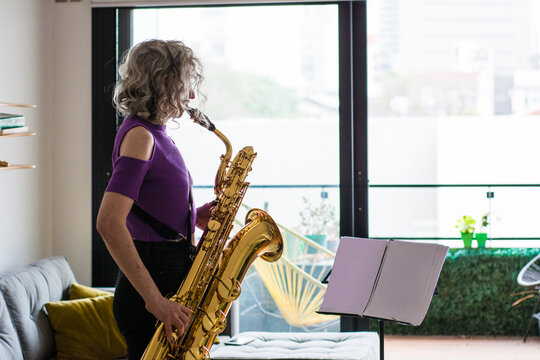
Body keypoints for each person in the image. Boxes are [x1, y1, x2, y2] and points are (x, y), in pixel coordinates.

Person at [96, 39, 215, 360]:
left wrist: (197, 217)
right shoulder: (140, 137)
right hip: (154, 281)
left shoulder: (154, 133)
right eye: (186, 84)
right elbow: (108, 222)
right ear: (164, 81)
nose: (191, 95)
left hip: (168, 270)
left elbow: (149, 209)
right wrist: (155, 301)